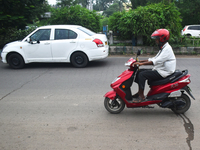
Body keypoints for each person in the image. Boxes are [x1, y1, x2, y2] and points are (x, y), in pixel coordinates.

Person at [132, 29, 176, 103]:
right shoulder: (163, 48)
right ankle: (139, 92)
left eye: (157, 39)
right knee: (139, 72)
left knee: (142, 74)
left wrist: (141, 64)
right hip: (160, 69)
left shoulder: (167, 49)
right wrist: (140, 61)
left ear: (162, 39)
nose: (156, 41)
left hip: (163, 72)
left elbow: (155, 61)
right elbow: (154, 58)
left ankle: (141, 96)